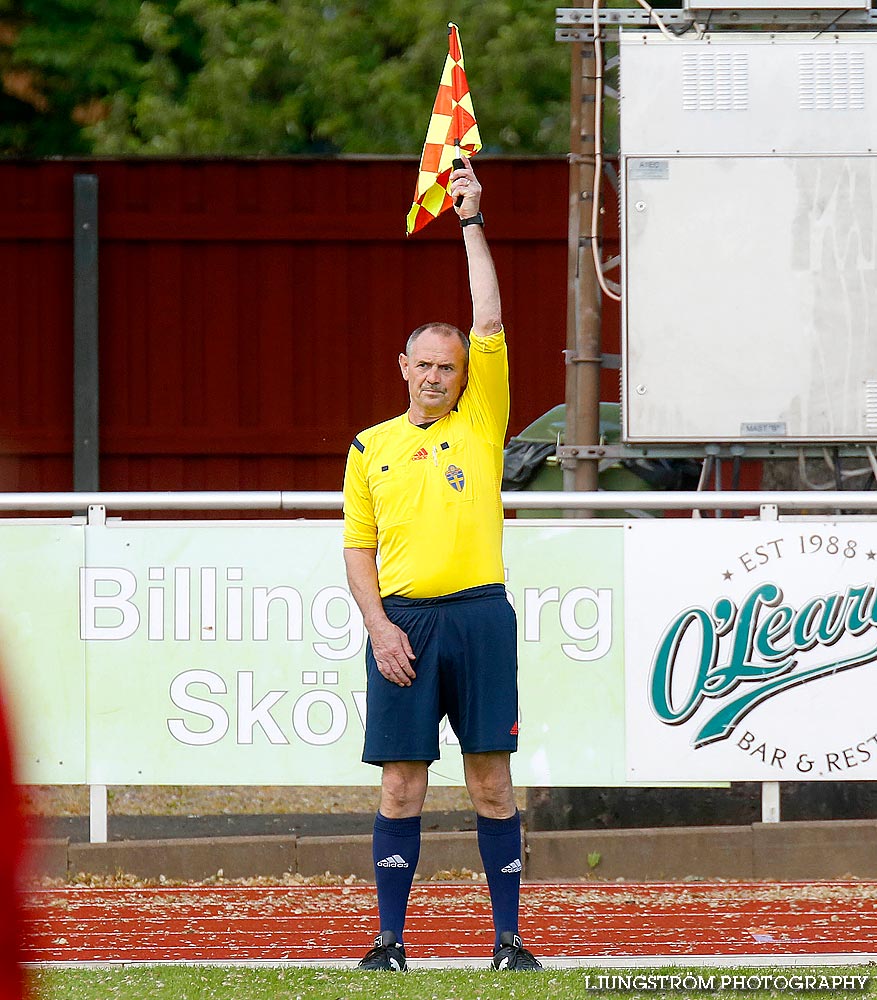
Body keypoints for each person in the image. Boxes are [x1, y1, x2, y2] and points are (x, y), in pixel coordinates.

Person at [342, 158, 541, 973]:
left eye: (447, 366)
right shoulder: (369, 447)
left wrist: (469, 218)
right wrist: (378, 623)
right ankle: (388, 942)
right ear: (402, 369)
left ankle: (507, 940)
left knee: (490, 782)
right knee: (400, 787)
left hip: (479, 616)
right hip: (406, 623)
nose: (434, 375)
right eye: (422, 363)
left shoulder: (481, 419)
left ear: (464, 376)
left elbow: (487, 311)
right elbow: (357, 549)